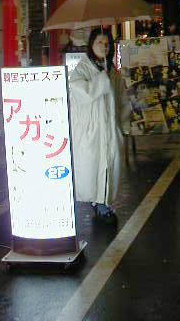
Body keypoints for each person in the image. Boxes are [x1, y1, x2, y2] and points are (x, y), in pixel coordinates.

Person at [68, 27, 131, 224]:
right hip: (91, 131)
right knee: (93, 168)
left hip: (110, 130)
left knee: (109, 167)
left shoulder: (112, 71)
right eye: (99, 43)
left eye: (107, 43)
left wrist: (123, 126)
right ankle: (99, 204)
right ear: (91, 46)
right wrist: (100, 80)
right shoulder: (83, 68)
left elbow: (122, 100)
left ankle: (103, 202)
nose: (104, 46)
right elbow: (81, 92)